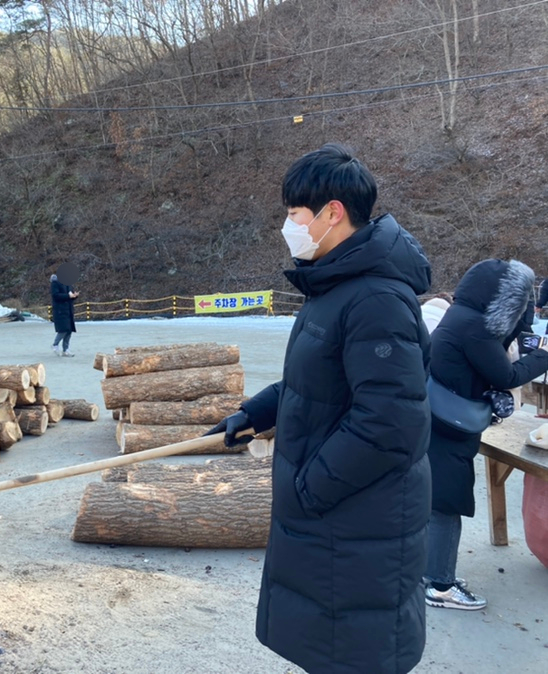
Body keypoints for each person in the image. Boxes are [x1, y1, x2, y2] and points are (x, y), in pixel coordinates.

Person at [207, 143, 432, 673]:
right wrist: (256, 412)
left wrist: (310, 488)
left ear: (333, 213)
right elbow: (318, 383)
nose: (287, 226)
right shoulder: (334, 286)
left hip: (355, 518)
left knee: (354, 653)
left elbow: (390, 423)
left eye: (294, 215)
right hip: (336, 519)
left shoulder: (375, 299)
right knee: (329, 649)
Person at [425, 259, 548, 610]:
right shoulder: (475, 328)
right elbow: (507, 376)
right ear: (505, 299)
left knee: (437, 502)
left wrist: (520, 322)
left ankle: (431, 573)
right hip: (449, 426)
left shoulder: (462, 315)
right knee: (447, 505)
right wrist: (544, 355)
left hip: (438, 420)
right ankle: (441, 586)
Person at [50, 272, 78, 357]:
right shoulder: (55, 282)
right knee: (63, 329)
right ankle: (55, 344)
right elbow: (55, 295)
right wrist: (68, 296)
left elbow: (70, 294)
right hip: (60, 310)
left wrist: (74, 296)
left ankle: (66, 349)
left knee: (69, 330)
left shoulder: (68, 283)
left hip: (68, 309)